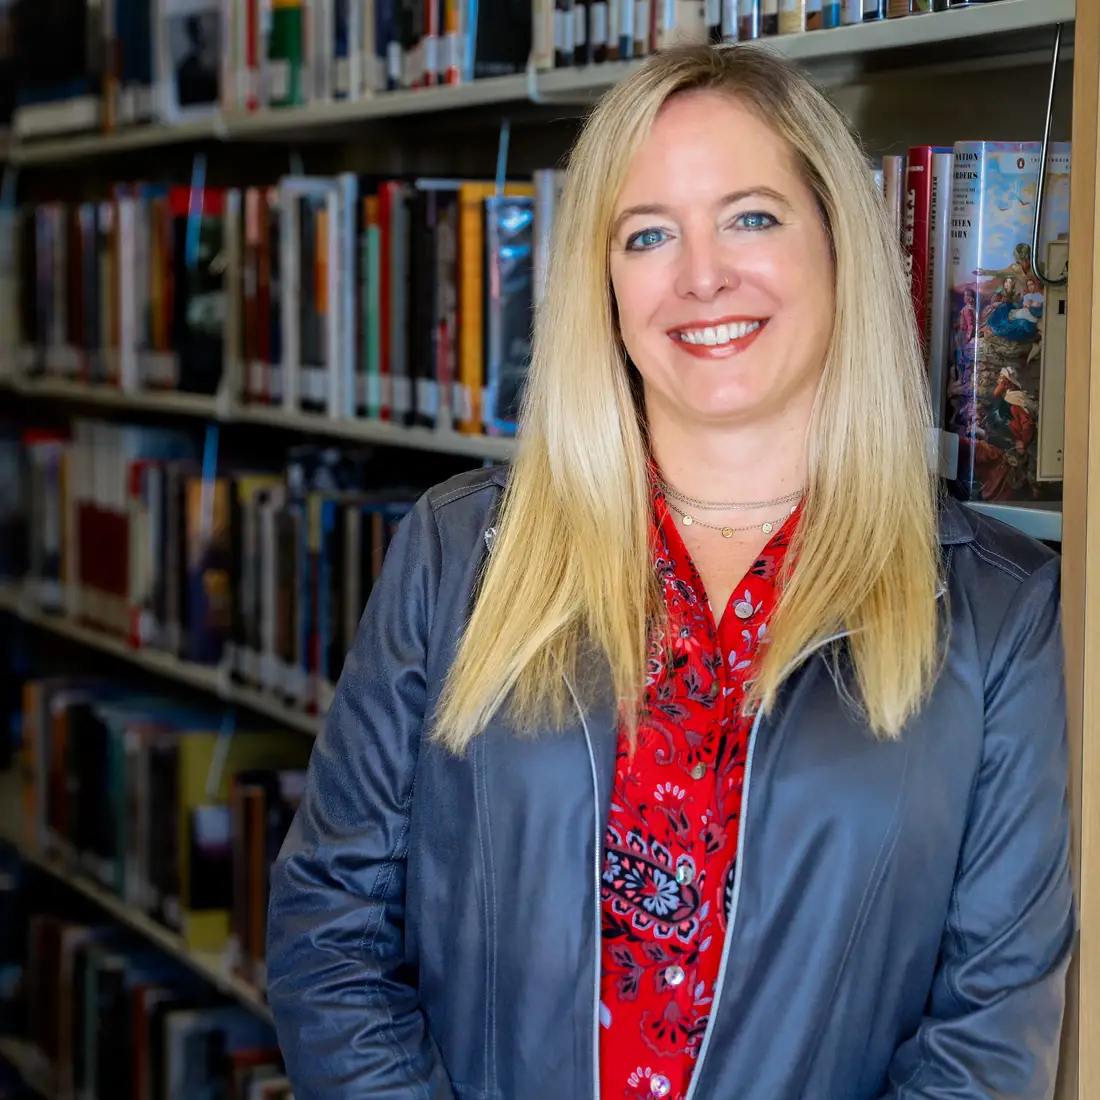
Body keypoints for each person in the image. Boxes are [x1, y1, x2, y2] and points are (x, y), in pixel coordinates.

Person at [265, 43, 1075, 1100]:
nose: (701, 276)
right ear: (601, 286)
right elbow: (329, 927)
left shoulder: (995, 609)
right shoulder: (460, 553)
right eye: (648, 234)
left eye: (749, 215)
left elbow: (984, 1035)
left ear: (837, 242)